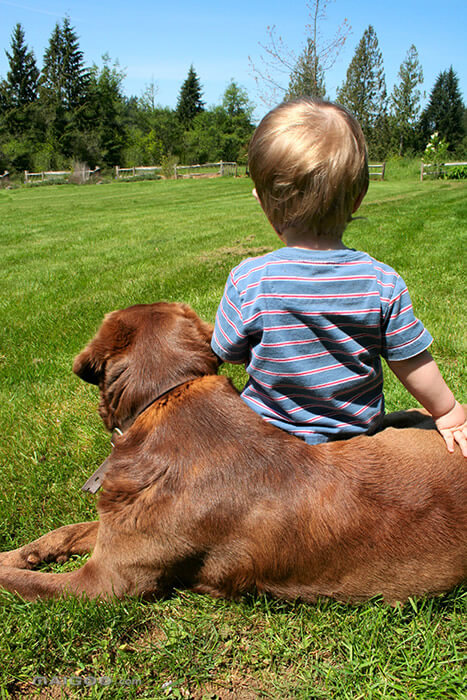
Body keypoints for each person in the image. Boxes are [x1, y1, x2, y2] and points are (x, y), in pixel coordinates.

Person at [211, 98, 467, 455]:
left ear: (263, 203)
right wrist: (449, 412)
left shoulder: (249, 280)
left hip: (267, 447)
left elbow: (226, 350)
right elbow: (410, 360)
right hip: (354, 448)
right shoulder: (382, 283)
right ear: (359, 198)